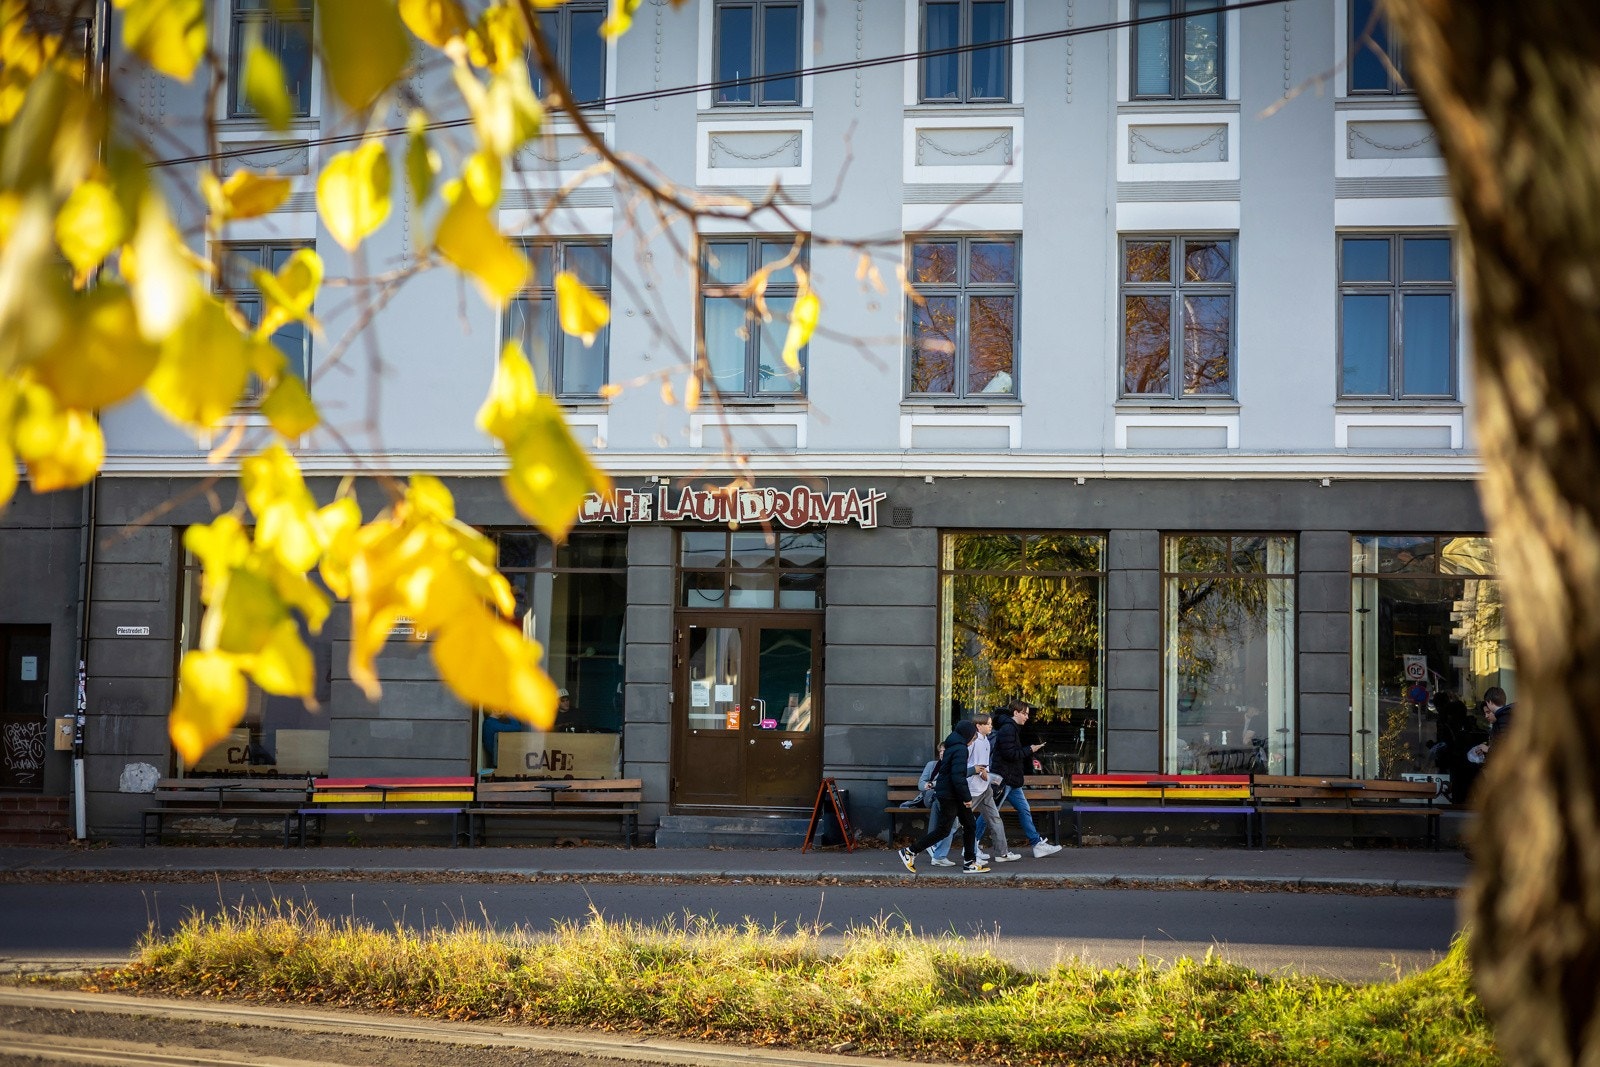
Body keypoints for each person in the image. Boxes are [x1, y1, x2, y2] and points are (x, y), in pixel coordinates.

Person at [898, 721, 989, 874]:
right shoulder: (961, 749)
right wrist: (967, 797)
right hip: (952, 795)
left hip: (949, 793)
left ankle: (969, 862)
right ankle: (910, 851)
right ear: (967, 735)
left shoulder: (952, 746)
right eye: (973, 738)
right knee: (947, 829)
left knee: (967, 825)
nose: (973, 742)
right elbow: (958, 776)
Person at [991, 701, 1063, 858]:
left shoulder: (1012, 728)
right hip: (1005, 779)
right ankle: (972, 845)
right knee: (990, 813)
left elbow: (1011, 753)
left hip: (1012, 779)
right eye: (1024, 713)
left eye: (1028, 714)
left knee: (1023, 810)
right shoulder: (1008, 729)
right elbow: (1010, 754)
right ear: (1015, 713)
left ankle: (1037, 844)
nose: (1027, 717)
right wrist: (1029, 749)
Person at [1468, 687, 1515, 765]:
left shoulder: (1504, 719)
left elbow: (1507, 748)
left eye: (1488, 712)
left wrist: (1488, 749)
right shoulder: (1499, 723)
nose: (1486, 716)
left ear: (1490, 702)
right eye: (1485, 713)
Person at [900, 743, 943, 808]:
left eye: (944, 751)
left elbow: (946, 782)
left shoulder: (954, 767)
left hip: (944, 798)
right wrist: (926, 785)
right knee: (934, 796)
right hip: (930, 796)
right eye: (940, 751)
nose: (941, 753)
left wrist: (932, 784)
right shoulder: (931, 765)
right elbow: (921, 784)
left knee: (938, 802)